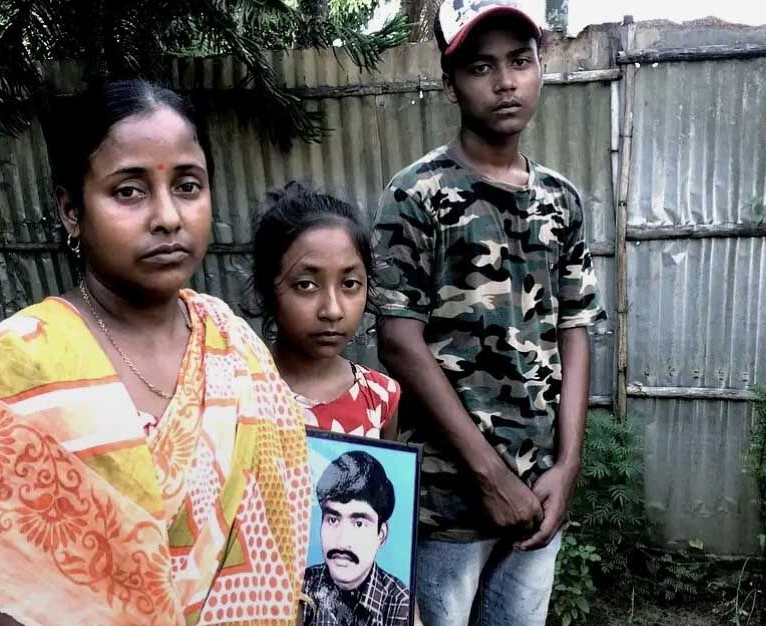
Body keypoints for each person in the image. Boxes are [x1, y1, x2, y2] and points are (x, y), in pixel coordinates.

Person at [0, 80, 312, 626]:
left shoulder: (235, 347)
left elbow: (284, 527)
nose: (168, 216)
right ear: (71, 211)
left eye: (187, 186)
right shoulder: (11, 372)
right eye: (129, 191)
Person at [371, 2, 607, 625]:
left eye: (520, 61)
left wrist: (568, 466)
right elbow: (398, 341)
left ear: (541, 67)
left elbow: (576, 328)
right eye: (480, 66)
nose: (505, 82)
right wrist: (489, 477)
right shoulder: (416, 194)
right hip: (448, 502)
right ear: (451, 82)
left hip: (539, 494)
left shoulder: (561, 199)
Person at [248, 181, 401, 441]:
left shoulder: (380, 397)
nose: (332, 310)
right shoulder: (239, 394)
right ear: (267, 288)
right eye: (306, 285)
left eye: (349, 284)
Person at [300, 450, 410, 626]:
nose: (342, 541)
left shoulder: (398, 602)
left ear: (381, 535)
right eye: (333, 520)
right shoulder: (301, 585)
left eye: (359, 524)